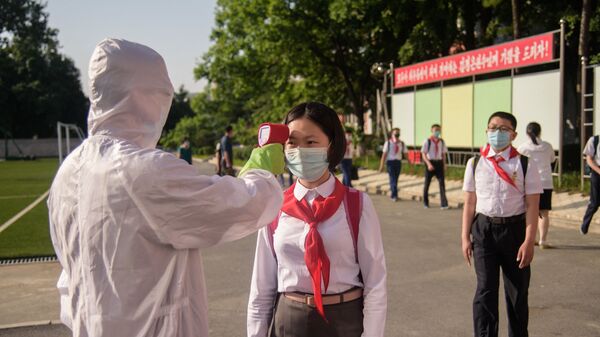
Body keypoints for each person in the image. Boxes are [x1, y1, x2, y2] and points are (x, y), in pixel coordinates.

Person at [48, 38, 285, 337]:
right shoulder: (143, 170)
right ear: (146, 97)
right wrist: (261, 171)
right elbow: (239, 206)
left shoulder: (68, 173)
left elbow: (69, 281)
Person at [247, 102, 387, 337]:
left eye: (311, 142)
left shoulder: (356, 204)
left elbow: (376, 283)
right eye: (292, 142)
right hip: (289, 320)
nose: (300, 151)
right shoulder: (275, 205)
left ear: (331, 146)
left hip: (345, 320)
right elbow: (261, 289)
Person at [461, 111, 542, 337]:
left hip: (515, 232)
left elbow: (532, 206)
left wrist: (529, 241)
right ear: (486, 131)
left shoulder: (524, 164)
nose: (497, 133)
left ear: (514, 134)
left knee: (517, 293)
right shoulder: (475, 163)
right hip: (483, 231)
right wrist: (464, 237)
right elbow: (469, 203)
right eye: (493, 128)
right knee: (485, 291)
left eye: (503, 129)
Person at [517, 122, 555, 248]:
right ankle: (543, 241)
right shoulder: (548, 146)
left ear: (526, 133)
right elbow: (552, 160)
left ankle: (529, 239)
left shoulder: (523, 148)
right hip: (546, 182)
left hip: (529, 183)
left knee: (528, 211)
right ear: (540, 132)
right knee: (544, 213)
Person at [421, 124, 448, 209]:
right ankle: (425, 202)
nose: (437, 132)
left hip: (439, 163)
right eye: (436, 130)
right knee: (427, 183)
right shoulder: (427, 141)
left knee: (442, 184)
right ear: (432, 130)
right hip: (430, 162)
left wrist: (444, 164)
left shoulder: (441, 141)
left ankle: (444, 204)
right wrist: (429, 164)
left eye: (439, 130)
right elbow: (423, 154)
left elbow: (443, 154)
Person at [378, 127, 407, 202]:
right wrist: (381, 165)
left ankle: (393, 194)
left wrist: (409, 160)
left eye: (398, 133)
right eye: (395, 133)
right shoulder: (388, 143)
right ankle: (394, 195)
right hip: (390, 162)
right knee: (392, 178)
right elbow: (384, 155)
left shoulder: (402, 143)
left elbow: (405, 153)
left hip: (398, 162)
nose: (397, 134)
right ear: (392, 134)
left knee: (396, 179)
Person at [581, 134, 600, 235]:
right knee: (595, 203)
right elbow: (589, 160)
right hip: (597, 172)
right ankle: (585, 224)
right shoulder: (594, 140)